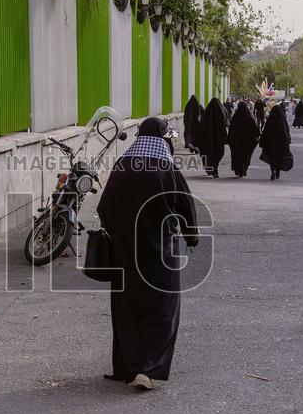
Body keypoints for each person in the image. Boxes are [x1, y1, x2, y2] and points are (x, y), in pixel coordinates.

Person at [97, 117, 198, 390]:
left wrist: (118, 234)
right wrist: (192, 235)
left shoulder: (123, 165)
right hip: (160, 252)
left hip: (125, 255)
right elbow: (184, 202)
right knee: (163, 307)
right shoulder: (165, 166)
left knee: (127, 308)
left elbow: (104, 207)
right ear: (163, 138)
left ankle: (127, 367)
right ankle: (148, 369)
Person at [190, 97, 228, 177]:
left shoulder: (207, 114)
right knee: (218, 153)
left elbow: (201, 127)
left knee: (208, 154)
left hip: (207, 139)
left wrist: (198, 140)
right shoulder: (222, 113)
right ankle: (215, 169)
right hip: (219, 138)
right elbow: (225, 125)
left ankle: (210, 169)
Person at [259, 102, 294, 180]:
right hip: (281, 144)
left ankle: (273, 171)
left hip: (271, 144)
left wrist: (262, 142)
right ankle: (277, 172)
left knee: (272, 158)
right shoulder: (283, 121)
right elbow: (287, 132)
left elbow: (265, 131)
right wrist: (288, 140)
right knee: (280, 158)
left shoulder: (270, 120)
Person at [228, 100, 260, 178]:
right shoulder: (250, 118)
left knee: (237, 156)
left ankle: (238, 170)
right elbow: (256, 129)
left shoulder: (235, 118)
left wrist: (230, 139)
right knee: (246, 155)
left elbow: (231, 129)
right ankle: (244, 169)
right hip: (247, 142)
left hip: (236, 142)